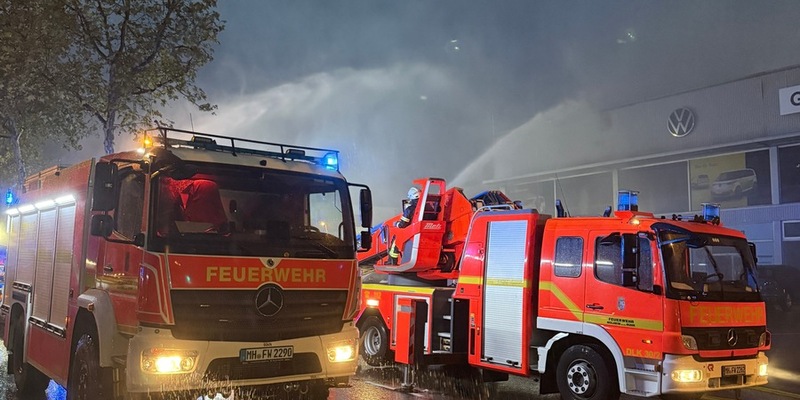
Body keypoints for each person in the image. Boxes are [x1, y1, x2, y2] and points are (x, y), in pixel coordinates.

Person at [388, 187, 420, 263]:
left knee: (395, 241)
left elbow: (403, 225)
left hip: (411, 232)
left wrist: (396, 224)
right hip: (424, 231)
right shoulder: (428, 207)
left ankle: (392, 262)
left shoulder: (410, 209)